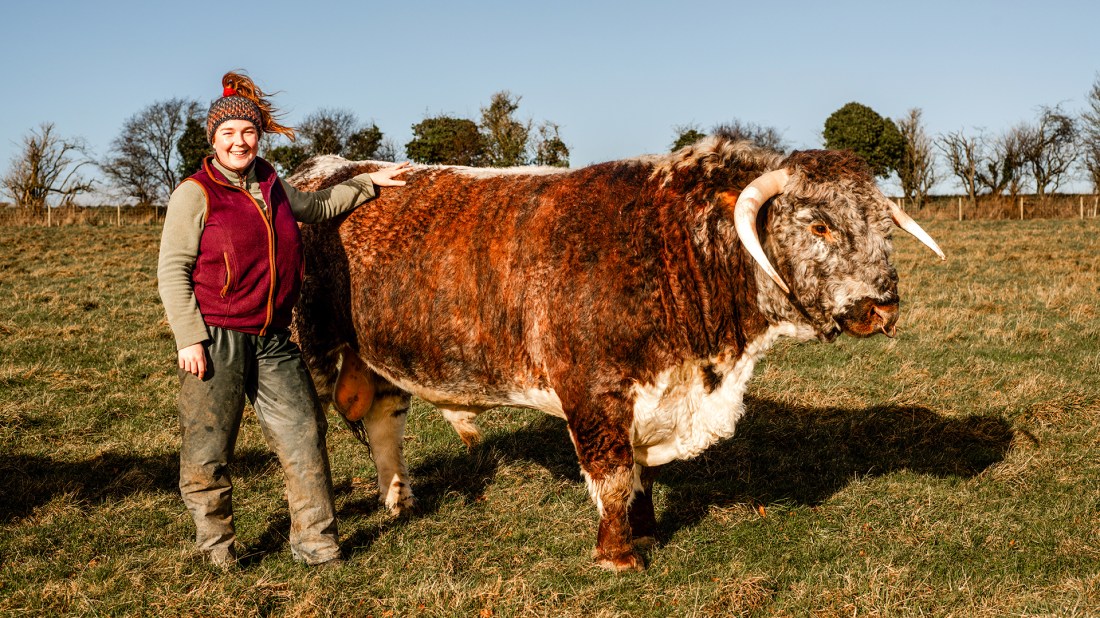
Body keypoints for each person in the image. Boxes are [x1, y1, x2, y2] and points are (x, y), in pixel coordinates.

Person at [157, 70, 409, 569]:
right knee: (209, 451)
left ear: (258, 136)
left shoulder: (271, 182)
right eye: (227, 134)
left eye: (247, 132)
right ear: (213, 141)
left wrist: (365, 183)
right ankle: (218, 550)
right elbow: (172, 269)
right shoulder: (195, 192)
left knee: (305, 438)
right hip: (216, 340)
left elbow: (316, 207)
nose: (239, 141)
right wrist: (189, 338)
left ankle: (316, 546)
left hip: (274, 338)